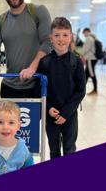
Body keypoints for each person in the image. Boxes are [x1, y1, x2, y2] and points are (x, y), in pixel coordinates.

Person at [37, 17, 86, 159]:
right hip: (51, 114)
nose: (61, 39)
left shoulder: (76, 62)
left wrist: (65, 113)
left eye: (65, 35)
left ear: (71, 37)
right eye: (57, 35)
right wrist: (48, 108)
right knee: (54, 149)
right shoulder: (44, 62)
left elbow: (80, 90)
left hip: (69, 114)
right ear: (50, 38)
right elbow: (38, 88)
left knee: (69, 148)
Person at [80, 27, 98, 95]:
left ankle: (95, 90)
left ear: (87, 32)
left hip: (91, 58)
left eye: (84, 33)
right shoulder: (93, 38)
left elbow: (85, 49)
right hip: (92, 58)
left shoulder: (88, 38)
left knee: (91, 74)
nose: (84, 35)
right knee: (86, 74)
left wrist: (81, 54)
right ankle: (81, 89)